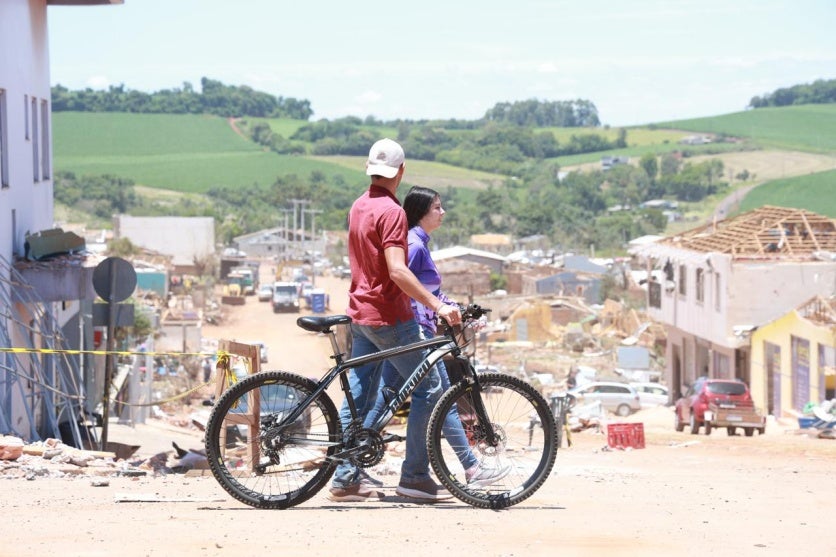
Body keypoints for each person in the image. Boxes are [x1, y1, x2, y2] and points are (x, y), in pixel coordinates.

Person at [328, 139, 462, 503]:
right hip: (389, 316)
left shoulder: (359, 206)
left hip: (360, 314)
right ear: (401, 172)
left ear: (369, 168)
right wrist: (438, 305)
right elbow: (398, 271)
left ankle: (345, 478)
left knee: (357, 397)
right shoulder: (392, 212)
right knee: (430, 389)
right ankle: (415, 477)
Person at [363, 185, 510, 488]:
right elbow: (408, 288)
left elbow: (431, 291)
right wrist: (439, 312)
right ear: (421, 212)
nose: (443, 213)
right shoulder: (414, 246)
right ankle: (467, 468)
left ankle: (353, 463)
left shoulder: (419, 242)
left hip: (416, 329)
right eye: (437, 208)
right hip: (414, 332)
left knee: (388, 394)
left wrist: (455, 310)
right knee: (442, 395)